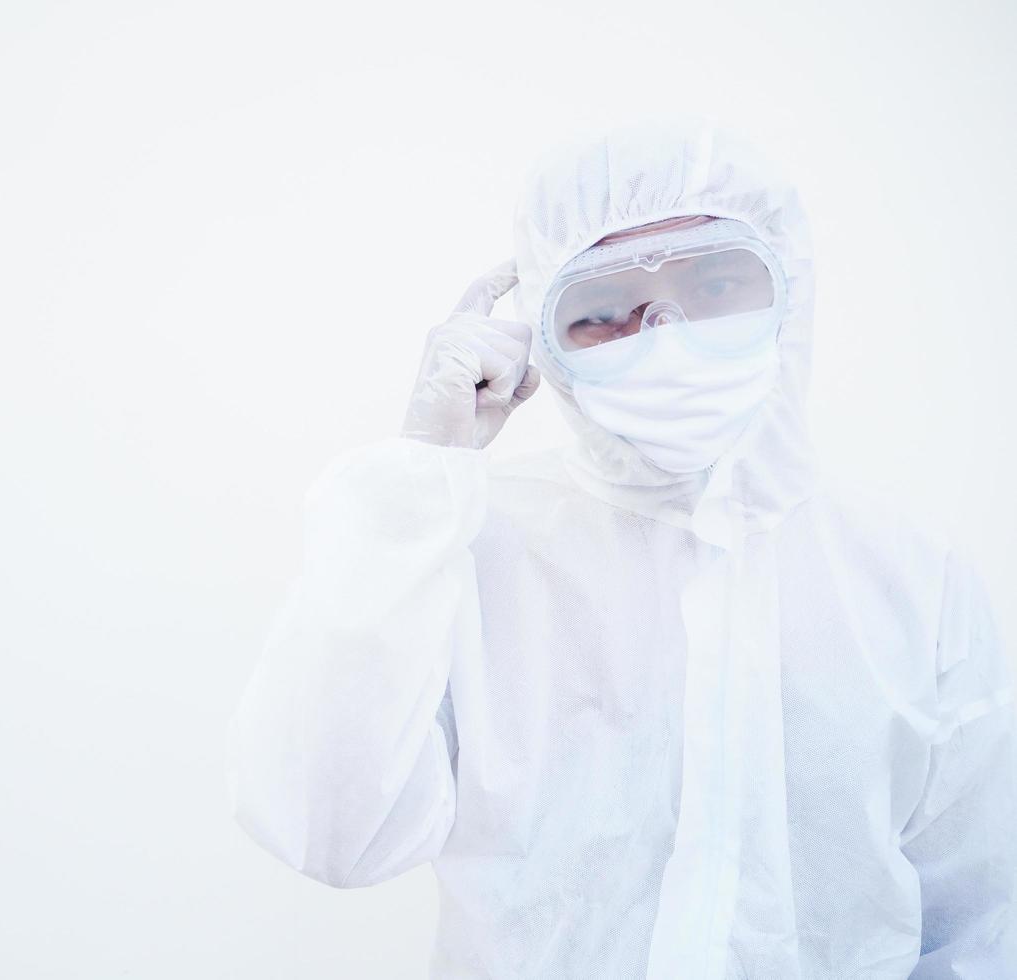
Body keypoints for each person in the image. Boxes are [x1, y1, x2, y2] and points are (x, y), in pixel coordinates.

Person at [225, 123, 1017, 978]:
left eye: (714, 283)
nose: (662, 333)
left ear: (789, 289)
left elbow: (978, 919)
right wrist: (423, 473)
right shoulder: (472, 544)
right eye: (603, 312)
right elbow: (333, 834)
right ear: (546, 335)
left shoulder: (908, 577)